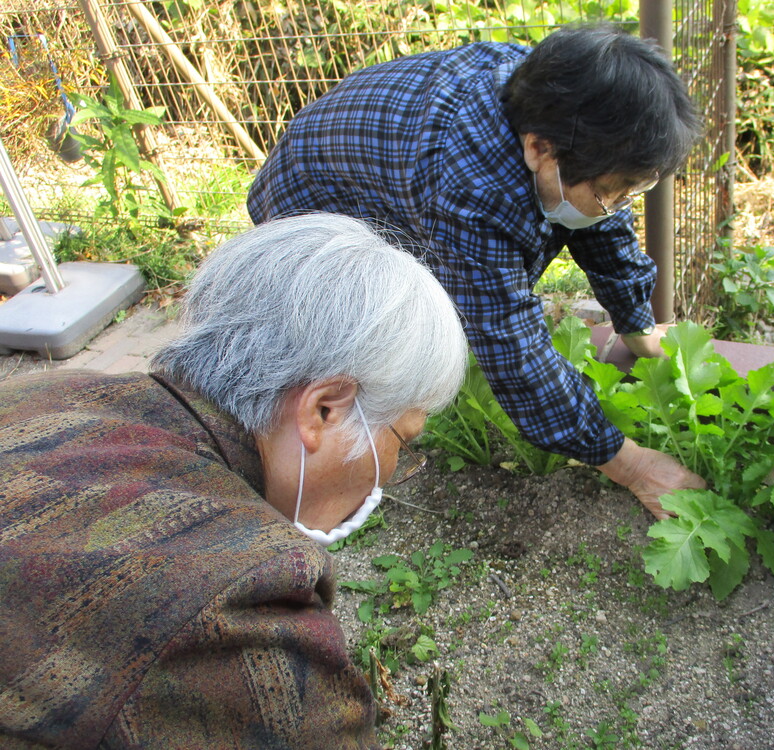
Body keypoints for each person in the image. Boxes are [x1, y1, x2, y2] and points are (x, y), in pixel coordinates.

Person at [0, 213, 467, 747]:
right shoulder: (241, 609)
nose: (390, 474)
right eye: (402, 444)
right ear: (324, 411)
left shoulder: (47, 393)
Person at [247, 24, 707, 520]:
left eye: (628, 193)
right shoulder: (471, 188)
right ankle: (298, 492)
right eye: (609, 193)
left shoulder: (566, 103)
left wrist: (637, 328)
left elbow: (605, 225)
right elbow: (514, 349)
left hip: (388, 165)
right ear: (539, 150)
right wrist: (635, 466)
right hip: (315, 198)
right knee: (343, 351)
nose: (615, 207)